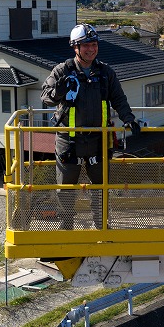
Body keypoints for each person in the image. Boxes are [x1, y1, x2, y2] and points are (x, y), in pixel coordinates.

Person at [41, 24, 141, 229]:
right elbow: (46, 98)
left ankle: (101, 223)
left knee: (101, 186)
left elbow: (118, 98)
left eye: (94, 44)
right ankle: (67, 225)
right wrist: (58, 91)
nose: (91, 49)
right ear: (75, 47)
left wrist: (129, 118)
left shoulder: (105, 73)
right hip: (69, 140)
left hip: (98, 139)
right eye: (86, 45)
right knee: (66, 187)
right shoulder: (62, 71)